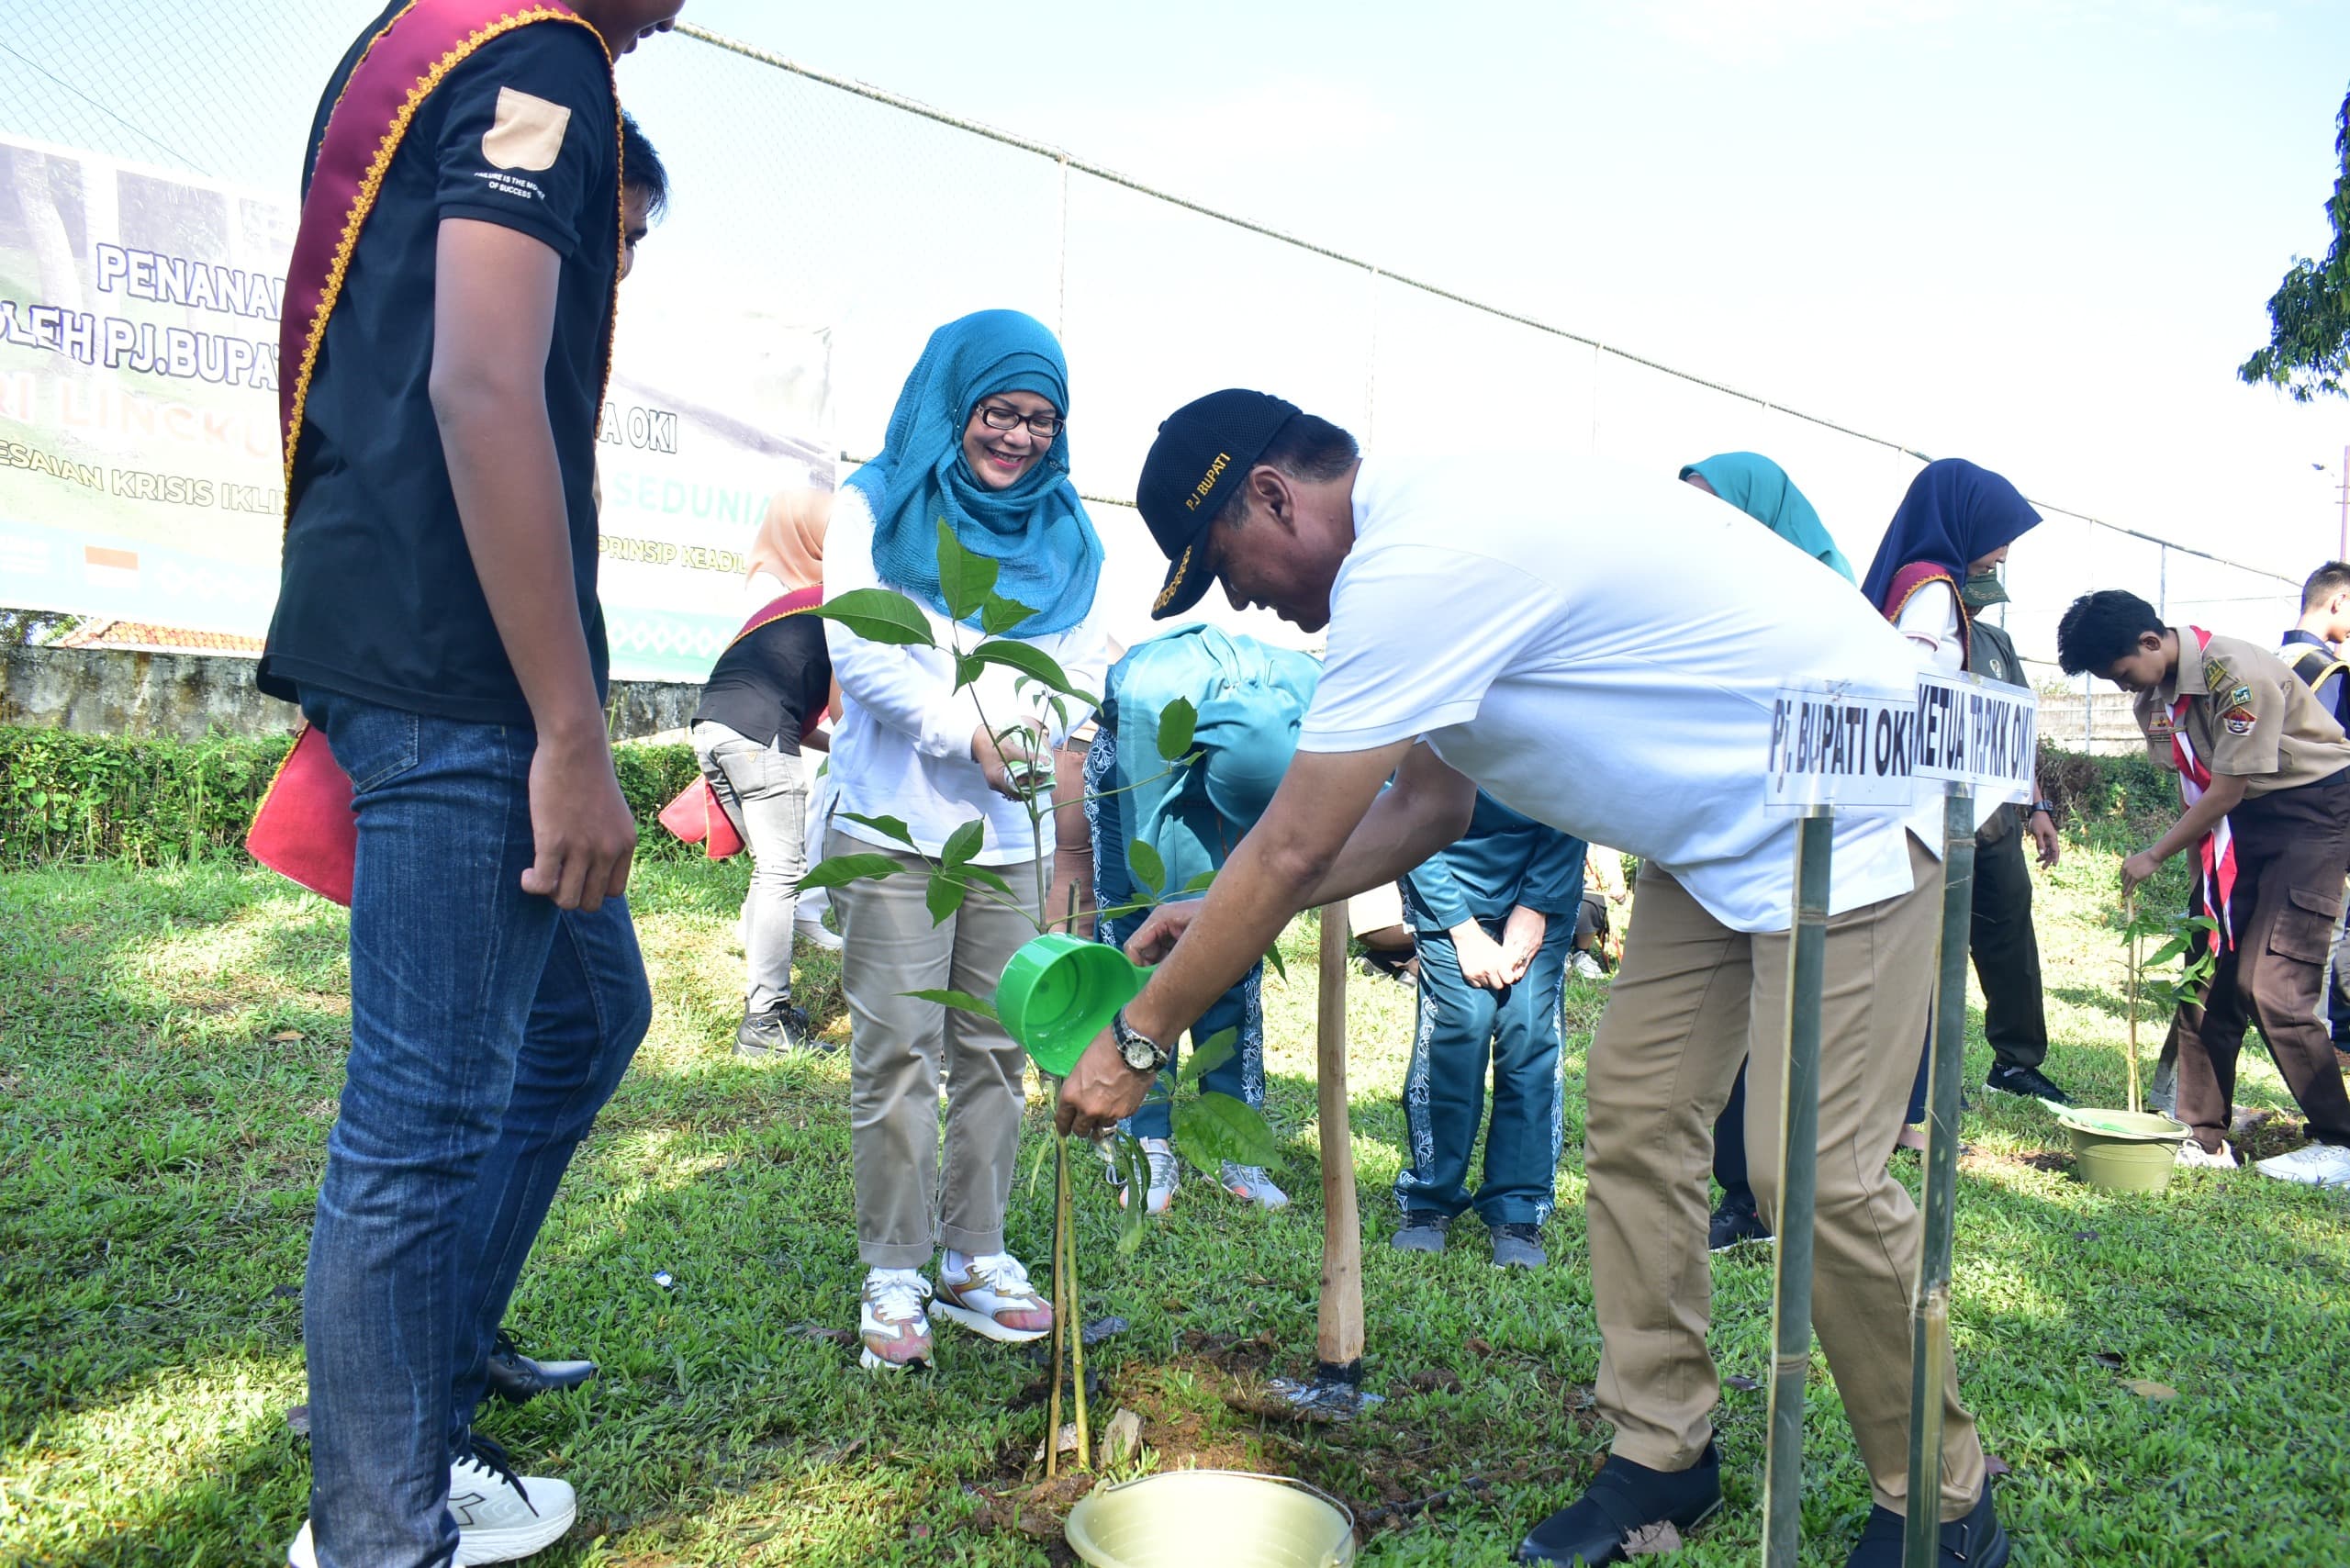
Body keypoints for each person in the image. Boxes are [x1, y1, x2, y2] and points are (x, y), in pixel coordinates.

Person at [1058, 390, 2006, 1568]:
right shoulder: (1413, 553)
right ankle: (1663, 1449)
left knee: (1810, 1164)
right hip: (1712, 838)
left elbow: (1297, 839)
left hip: (1849, 799)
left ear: (1271, 494)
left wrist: (1141, 1036)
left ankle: (1944, 1500)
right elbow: (1427, 808)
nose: (1241, 598)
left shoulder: (1421, 560)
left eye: (1226, 566)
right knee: (1638, 1121)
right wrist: (1235, 901)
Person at [257, 3, 685, 1563]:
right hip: (465, 679)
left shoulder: (429, 45)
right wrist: (572, 729)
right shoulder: (537, 57)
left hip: (422, 647)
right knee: (420, 1122)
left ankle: (417, 1398)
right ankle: (381, 1527)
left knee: (586, 1017)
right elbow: (486, 389)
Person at [822, 310, 1113, 1372]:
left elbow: (1083, 667)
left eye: (1044, 420)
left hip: (1009, 837)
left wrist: (1044, 735)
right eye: (1000, 411)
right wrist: (965, 730)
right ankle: (895, 1267)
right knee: (897, 1050)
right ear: (955, 404)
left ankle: (974, 1257)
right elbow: (856, 642)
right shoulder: (874, 502)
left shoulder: (1072, 534)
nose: (1022, 437)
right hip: (897, 828)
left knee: (996, 1047)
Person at [2058, 589, 2350, 1185]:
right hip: (2238, 825)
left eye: (2121, 673)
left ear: (2149, 641)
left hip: (2313, 812)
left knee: (2273, 984)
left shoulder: (2233, 674)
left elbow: (2227, 788)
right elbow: (2197, 791)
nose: (2123, 688)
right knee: (2207, 968)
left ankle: (2340, 1141)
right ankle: (2203, 1134)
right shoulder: (2156, 698)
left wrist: (2153, 855)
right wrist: (2201, 890)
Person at [1679, 452, 1856, 1248]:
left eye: (1713, 509)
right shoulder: (1697, 601)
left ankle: (1785, 1201)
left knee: (1796, 1043)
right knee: (1706, 1060)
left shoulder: (1834, 606)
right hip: (1714, 852)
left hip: (1813, 862)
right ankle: (1740, 1196)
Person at [1086, 624, 1318, 1214]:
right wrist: (1184, 928)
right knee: (1139, 949)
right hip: (1140, 775)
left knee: (1236, 957)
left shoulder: (1313, 695)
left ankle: (1229, 1139)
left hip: (1251, 785)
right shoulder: (1148, 701)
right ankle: (1147, 1137)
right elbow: (1149, 870)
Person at [1863, 459, 2070, 1115]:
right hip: (1935, 814)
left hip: (1989, 815)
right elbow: (1909, 697)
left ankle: (2008, 1064)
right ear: (1964, 523)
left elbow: (2013, 727)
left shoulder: (1991, 636)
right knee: (1924, 945)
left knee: (2005, 934)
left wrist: (2035, 804)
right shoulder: (1927, 594)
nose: (2004, 553)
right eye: (2000, 534)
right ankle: (1916, 1083)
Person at [1391, 790, 1585, 1269]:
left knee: (1529, 1034)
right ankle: (1429, 1198)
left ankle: (1518, 1207)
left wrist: (1537, 905)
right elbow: (1406, 809)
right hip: (1444, 877)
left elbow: (1579, 794)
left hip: (1544, 871)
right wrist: (1461, 928)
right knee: (1460, 1023)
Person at [691, 501, 832, 1057]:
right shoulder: (846, 607)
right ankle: (765, 1021)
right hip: (757, 734)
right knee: (783, 873)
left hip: (713, 726)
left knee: (769, 871)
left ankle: (766, 1002)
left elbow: (798, 721)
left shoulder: (794, 604)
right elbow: (845, 712)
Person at [746, 488, 850, 955]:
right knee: (781, 853)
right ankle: (766, 929)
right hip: (777, 725)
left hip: (806, 723)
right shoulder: (770, 583)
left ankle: (804, 910)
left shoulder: (824, 586)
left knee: (811, 823)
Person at [2283, 560, 2350, 1050]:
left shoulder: (2270, 659)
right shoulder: (2325, 670)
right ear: (2338, 601)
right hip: (2321, 824)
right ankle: (2324, 1053)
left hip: (2267, 819)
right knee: (2320, 948)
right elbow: (2330, 755)